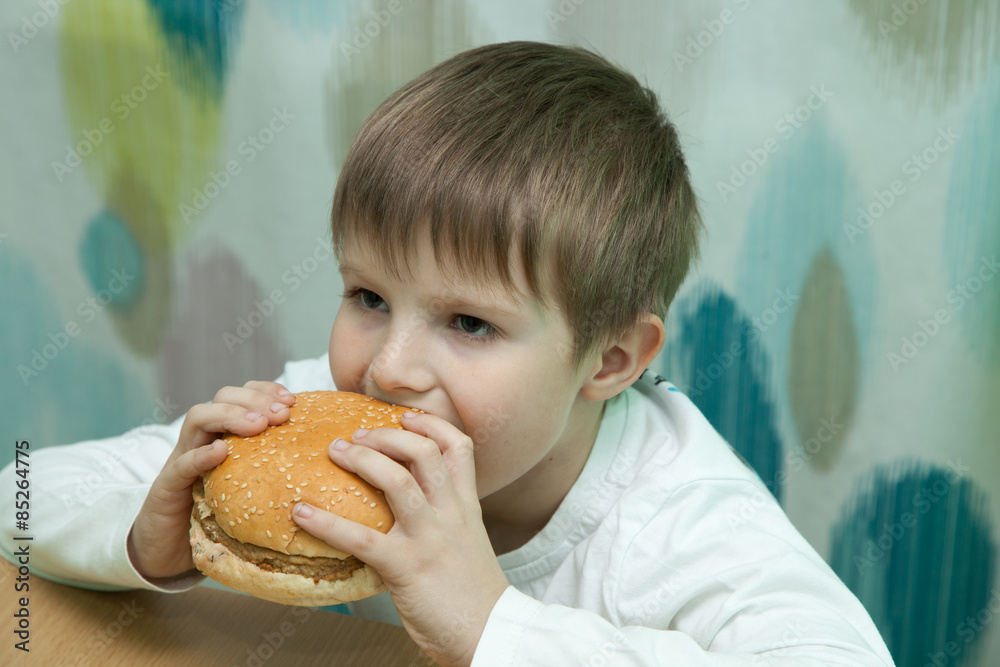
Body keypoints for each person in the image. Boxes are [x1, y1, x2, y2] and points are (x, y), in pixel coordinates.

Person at [1, 41, 895, 666]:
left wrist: (491, 625)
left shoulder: (679, 522)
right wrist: (143, 534)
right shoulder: (321, 413)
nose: (389, 367)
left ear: (611, 359)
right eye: (368, 296)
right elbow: (19, 491)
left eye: (469, 323)